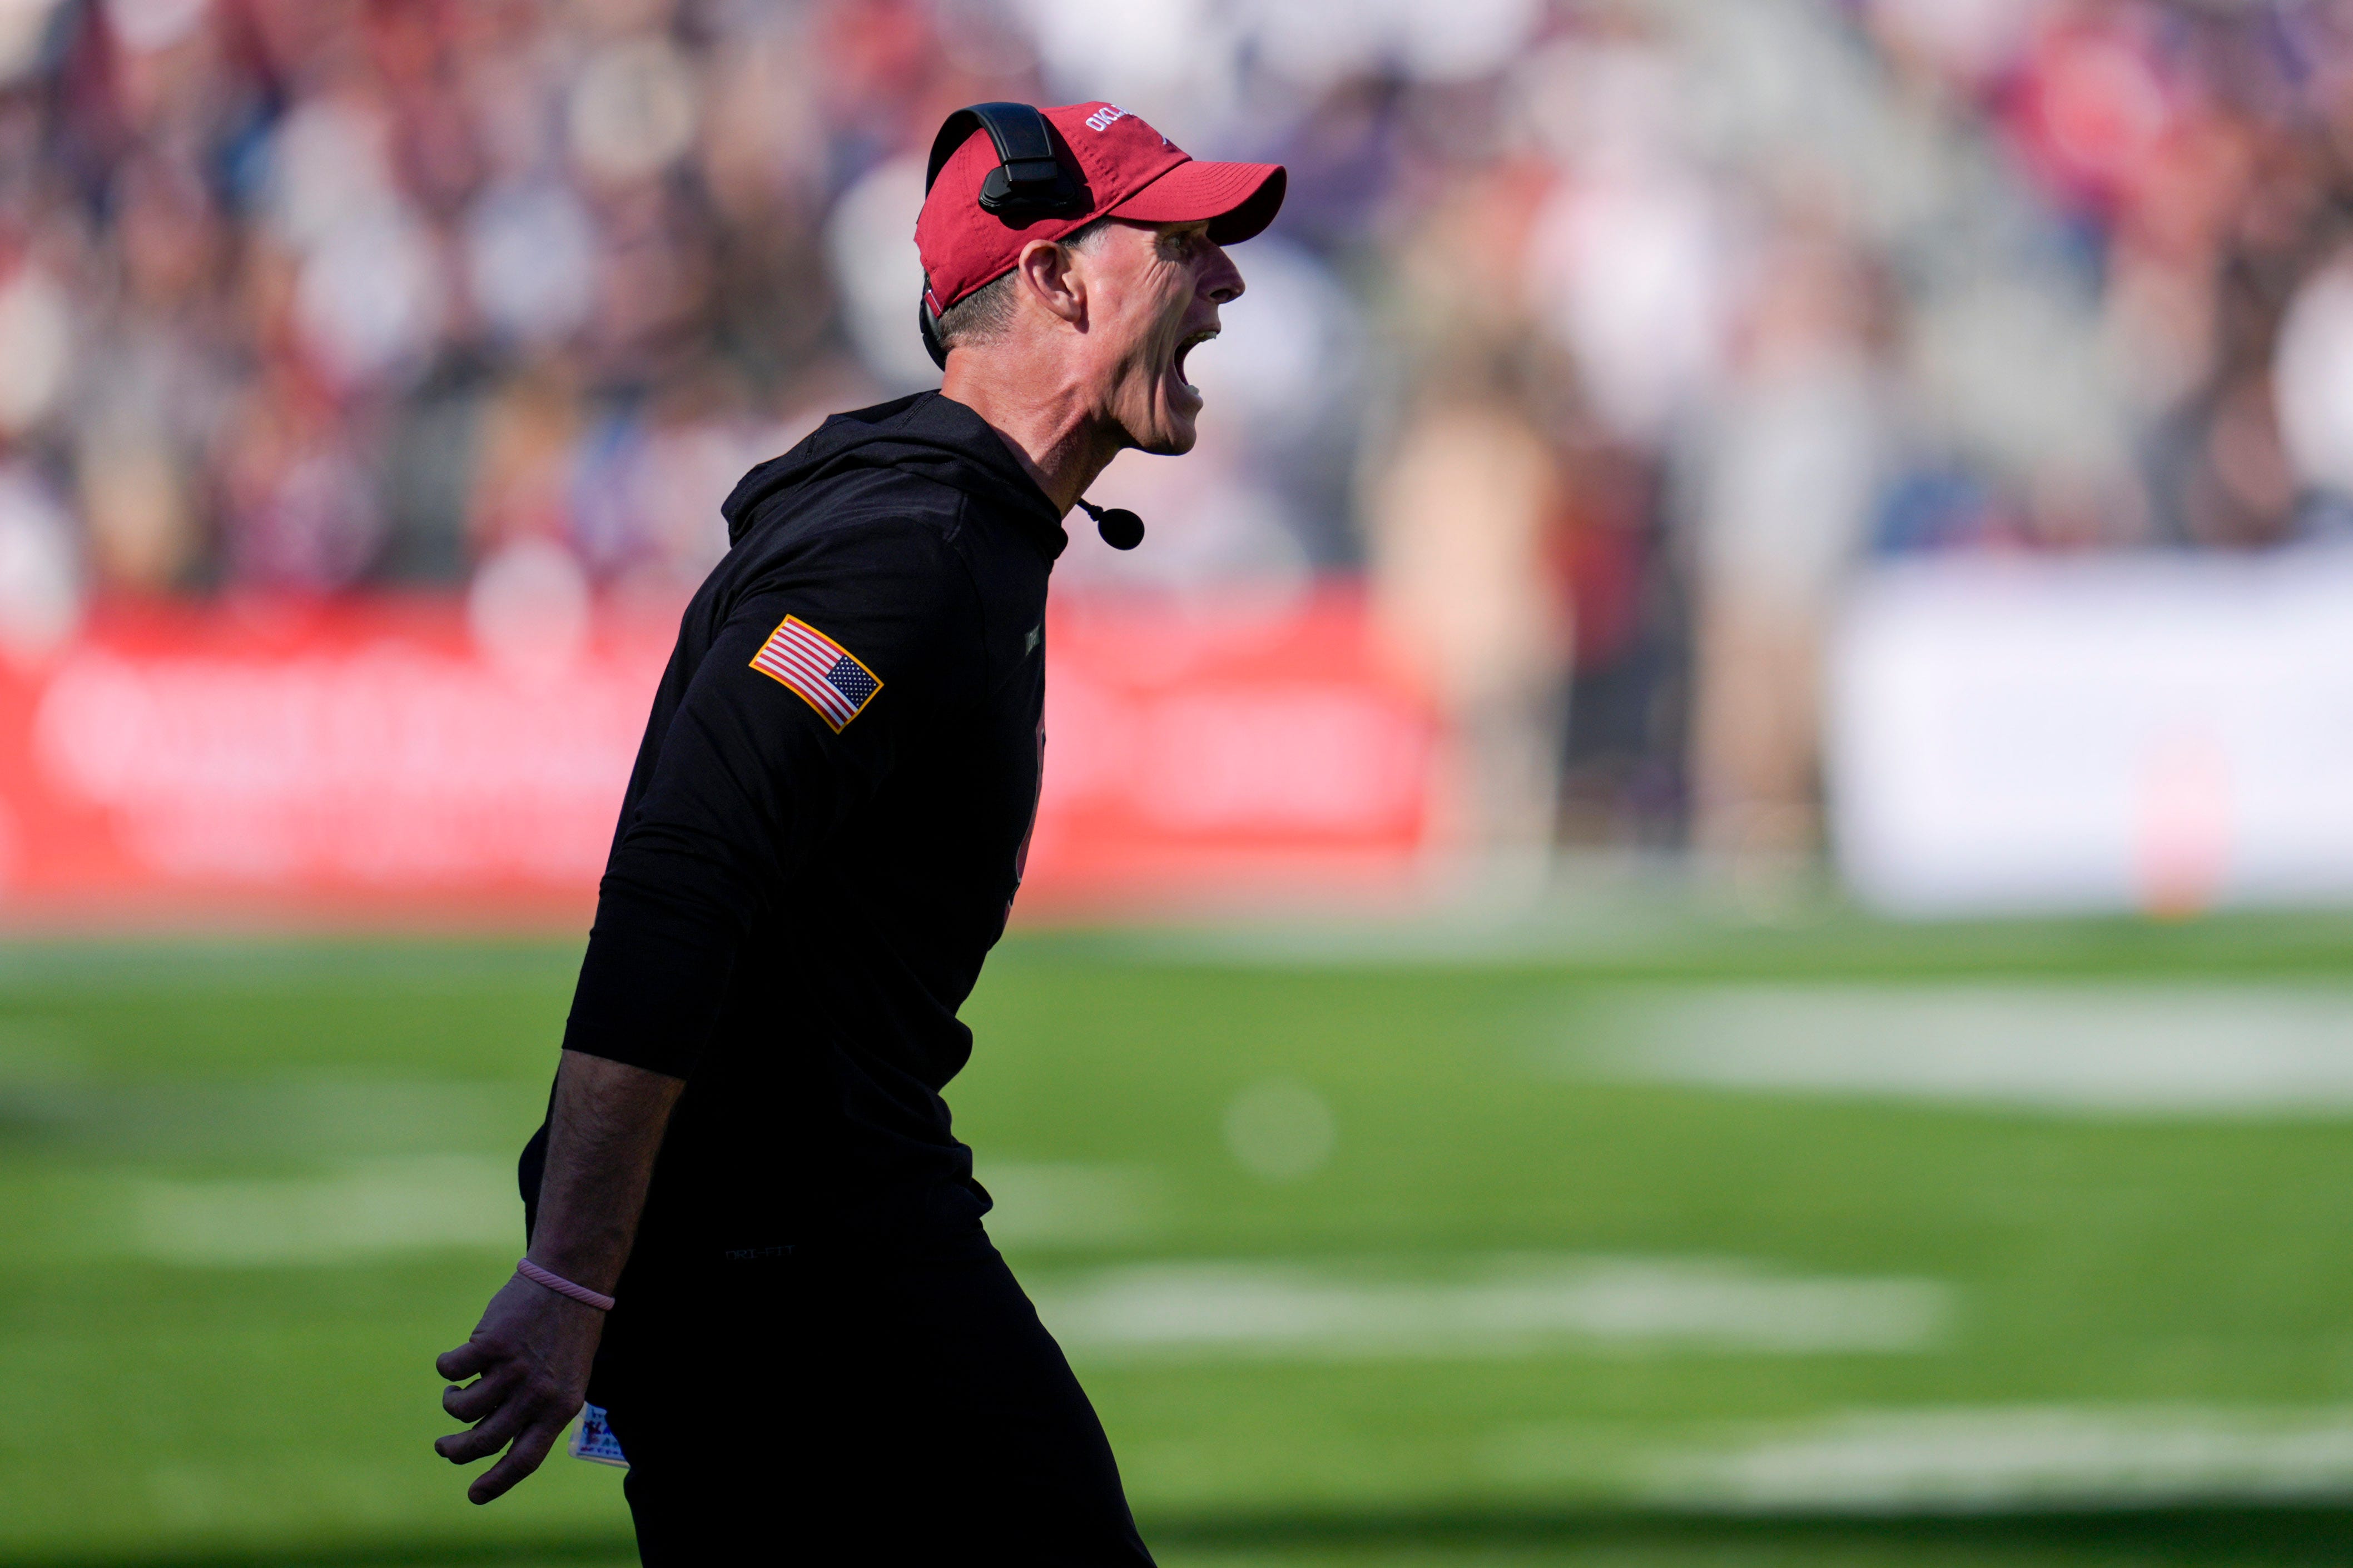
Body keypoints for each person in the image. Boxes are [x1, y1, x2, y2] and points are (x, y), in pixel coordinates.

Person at [429, 101, 1283, 1564]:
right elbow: (684, 878)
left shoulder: (949, 523)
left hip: (773, 1242)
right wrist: (575, 1274)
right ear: (1065, 279)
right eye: (1185, 243)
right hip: (790, 1253)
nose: (1228, 283)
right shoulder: (904, 553)